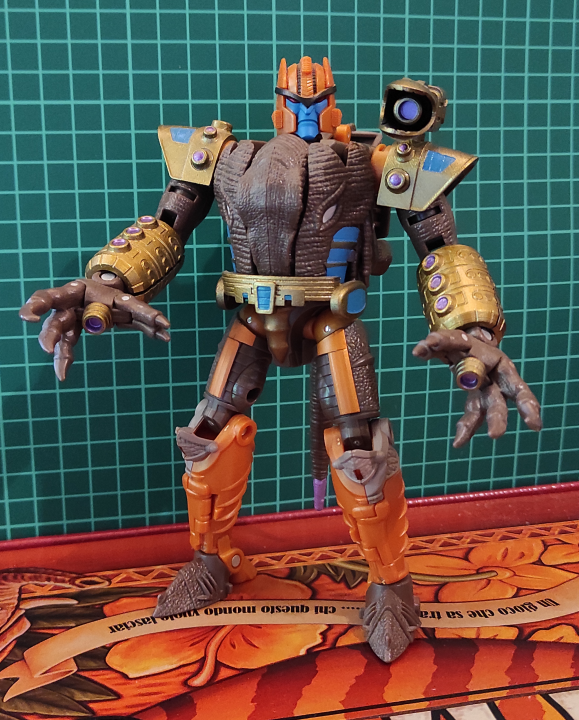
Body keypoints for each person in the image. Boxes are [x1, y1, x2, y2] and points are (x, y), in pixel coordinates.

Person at [20, 57, 541, 663]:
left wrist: (470, 326)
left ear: (335, 103)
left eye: (319, 103)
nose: (306, 113)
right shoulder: (222, 156)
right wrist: (109, 278)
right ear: (277, 105)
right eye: (294, 103)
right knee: (208, 436)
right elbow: (165, 225)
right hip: (251, 316)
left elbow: (441, 245)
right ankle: (209, 561)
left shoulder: (374, 159)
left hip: (332, 318)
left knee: (360, 451)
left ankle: (390, 583)